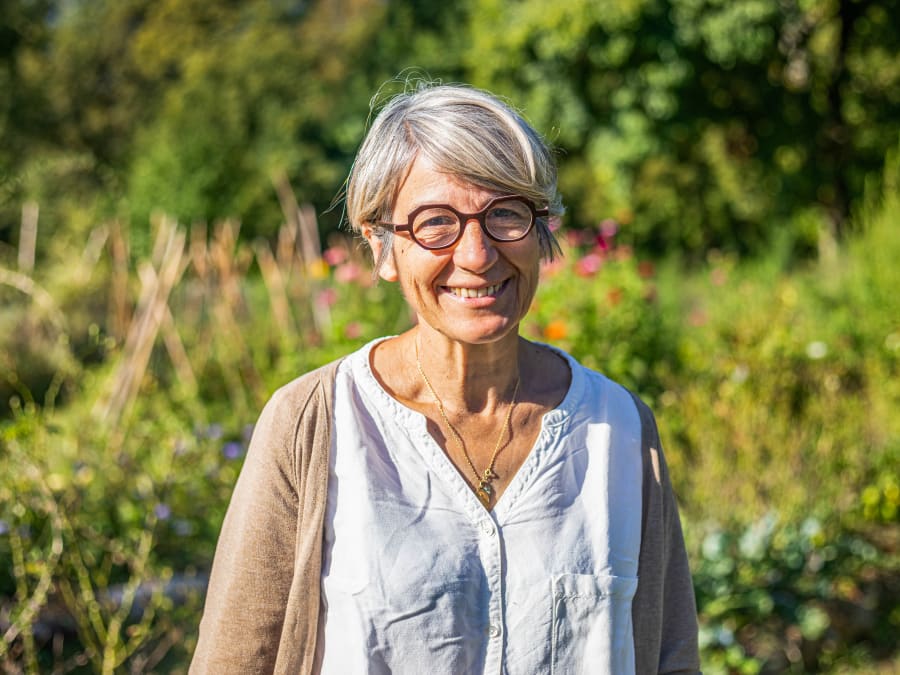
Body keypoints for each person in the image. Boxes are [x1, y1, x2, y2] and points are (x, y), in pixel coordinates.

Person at [190, 83, 699, 674]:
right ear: (381, 247)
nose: (478, 255)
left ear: (540, 231)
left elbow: (669, 657)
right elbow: (235, 658)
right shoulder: (315, 422)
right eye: (436, 223)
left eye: (505, 214)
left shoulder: (618, 428)